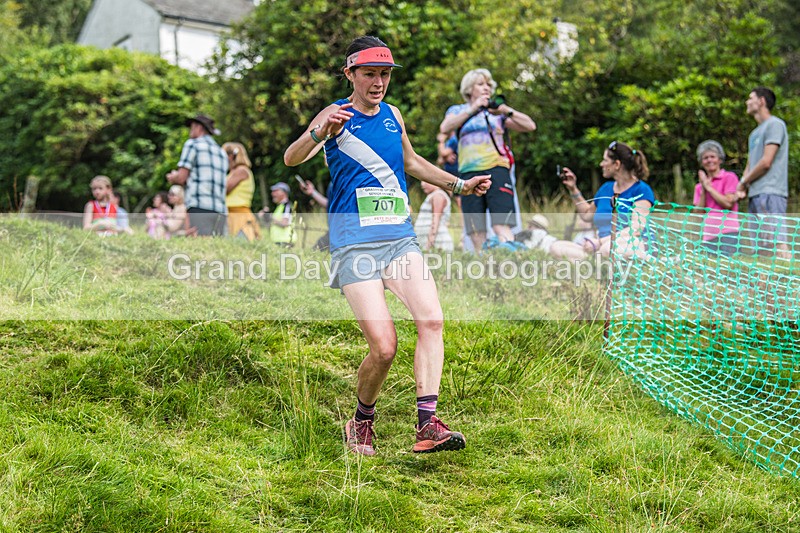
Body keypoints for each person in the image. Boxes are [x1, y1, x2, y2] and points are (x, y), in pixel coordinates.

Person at [283, 35, 491, 456]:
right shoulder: (334, 114)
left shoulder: (393, 114)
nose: (378, 83)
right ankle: (361, 421)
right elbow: (292, 157)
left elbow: (412, 163)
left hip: (399, 238)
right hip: (353, 244)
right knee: (384, 348)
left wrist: (460, 185)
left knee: (432, 321)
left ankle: (428, 423)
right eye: (370, 74)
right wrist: (321, 131)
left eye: (384, 75)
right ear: (351, 74)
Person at [439, 68, 536, 251]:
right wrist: (474, 108)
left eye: (489, 84)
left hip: (497, 170)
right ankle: (483, 266)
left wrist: (504, 110)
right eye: (481, 84)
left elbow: (530, 125)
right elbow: (445, 127)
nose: (487, 88)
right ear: (469, 89)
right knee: (475, 228)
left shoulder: (496, 114)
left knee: (501, 222)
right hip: (468, 172)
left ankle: (509, 258)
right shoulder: (458, 110)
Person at [561, 141, 655, 258]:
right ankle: (594, 262)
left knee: (607, 250)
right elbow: (586, 214)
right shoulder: (606, 188)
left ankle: (595, 262)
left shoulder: (642, 190)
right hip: (601, 246)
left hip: (634, 243)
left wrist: (600, 242)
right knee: (557, 247)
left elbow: (636, 229)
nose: (601, 164)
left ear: (616, 164)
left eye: (605, 160)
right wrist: (573, 189)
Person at [737, 87, 790, 259]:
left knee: (777, 241)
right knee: (760, 248)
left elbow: (766, 162)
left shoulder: (775, 124)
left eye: (750, 98)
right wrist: (742, 187)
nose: (747, 101)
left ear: (761, 101)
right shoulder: (753, 134)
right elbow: (751, 163)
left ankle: (793, 283)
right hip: (755, 194)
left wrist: (745, 181)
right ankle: (764, 286)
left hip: (771, 192)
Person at [166, 113, 228, 236]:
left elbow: (181, 177)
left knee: (201, 248)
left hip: (200, 206)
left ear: (199, 127)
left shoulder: (193, 145)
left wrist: (173, 177)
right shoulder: (222, 153)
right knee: (217, 249)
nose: (190, 131)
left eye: (192, 127)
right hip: (220, 210)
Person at [692, 140, 741, 255]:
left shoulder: (729, 177)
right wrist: (704, 189)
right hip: (708, 236)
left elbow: (728, 204)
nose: (709, 160)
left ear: (719, 159)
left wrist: (709, 188)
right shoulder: (699, 187)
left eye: (712, 156)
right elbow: (698, 214)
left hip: (728, 233)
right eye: (705, 158)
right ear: (701, 162)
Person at [223, 142, 261, 241]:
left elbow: (224, 189)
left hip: (239, 216)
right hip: (232, 214)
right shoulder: (234, 172)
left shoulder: (241, 171)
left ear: (231, 156)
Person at [516, 214, 586, 260]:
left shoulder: (533, 235)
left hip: (554, 247)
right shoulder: (544, 237)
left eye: (530, 226)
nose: (528, 227)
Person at [414, 181, 454, 252]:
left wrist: (430, 241)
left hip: (437, 243)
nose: (422, 184)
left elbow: (436, 218)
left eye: (426, 181)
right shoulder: (432, 195)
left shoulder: (438, 195)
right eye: (421, 181)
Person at [298, 178, 331, 251]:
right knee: (315, 250)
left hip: (344, 230)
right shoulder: (333, 182)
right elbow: (329, 204)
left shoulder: (344, 179)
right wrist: (312, 192)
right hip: (333, 230)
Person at [263, 181, 296, 247]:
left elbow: (284, 223)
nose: (272, 193)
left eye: (276, 191)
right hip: (279, 242)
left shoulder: (287, 206)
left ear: (284, 193)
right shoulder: (280, 207)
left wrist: (270, 216)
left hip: (285, 242)